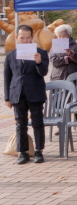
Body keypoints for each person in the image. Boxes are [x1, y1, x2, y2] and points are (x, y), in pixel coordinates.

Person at [4, 25, 49, 164]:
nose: (25, 40)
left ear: (32, 37)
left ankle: (38, 151)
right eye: (22, 37)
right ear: (17, 38)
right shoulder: (11, 55)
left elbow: (44, 72)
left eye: (28, 37)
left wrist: (39, 62)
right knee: (20, 124)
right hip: (17, 93)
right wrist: (7, 97)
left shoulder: (40, 52)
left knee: (37, 122)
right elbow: (7, 76)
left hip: (35, 92)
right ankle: (22, 152)